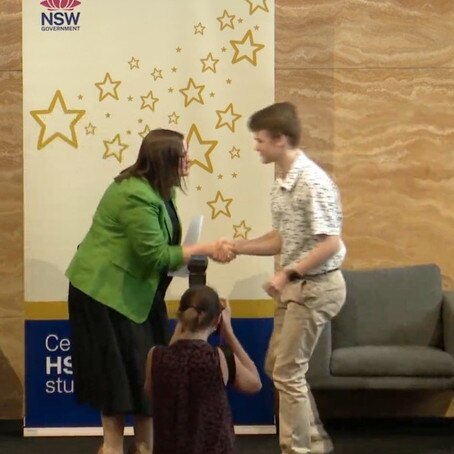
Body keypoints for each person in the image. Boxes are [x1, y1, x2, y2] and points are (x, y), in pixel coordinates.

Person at [65, 128, 234, 454]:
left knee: (147, 371)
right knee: (115, 378)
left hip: (139, 293)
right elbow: (155, 254)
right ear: (165, 159)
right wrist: (206, 247)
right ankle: (112, 447)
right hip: (104, 294)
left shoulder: (161, 190)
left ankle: (145, 446)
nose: (190, 160)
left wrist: (189, 252)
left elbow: (161, 248)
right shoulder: (134, 194)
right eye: (183, 154)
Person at [231, 102, 347, 454]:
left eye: (260, 140)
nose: (256, 146)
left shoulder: (313, 183)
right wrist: (240, 246)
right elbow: (284, 238)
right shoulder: (282, 182)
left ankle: (297, 449)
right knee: (275, 365)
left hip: (317, 288)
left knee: (287, 373)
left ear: (280, 139)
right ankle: (313, 439)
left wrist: (287, 273)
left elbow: (331, 243)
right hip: (296, 287)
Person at [144, 285, 262, 454]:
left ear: (180, 317)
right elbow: (254, 384)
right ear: (217, 320)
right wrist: (229, 332)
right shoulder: (218, 357)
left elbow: (151, 392)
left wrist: (181, 327)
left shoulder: (155, 356)